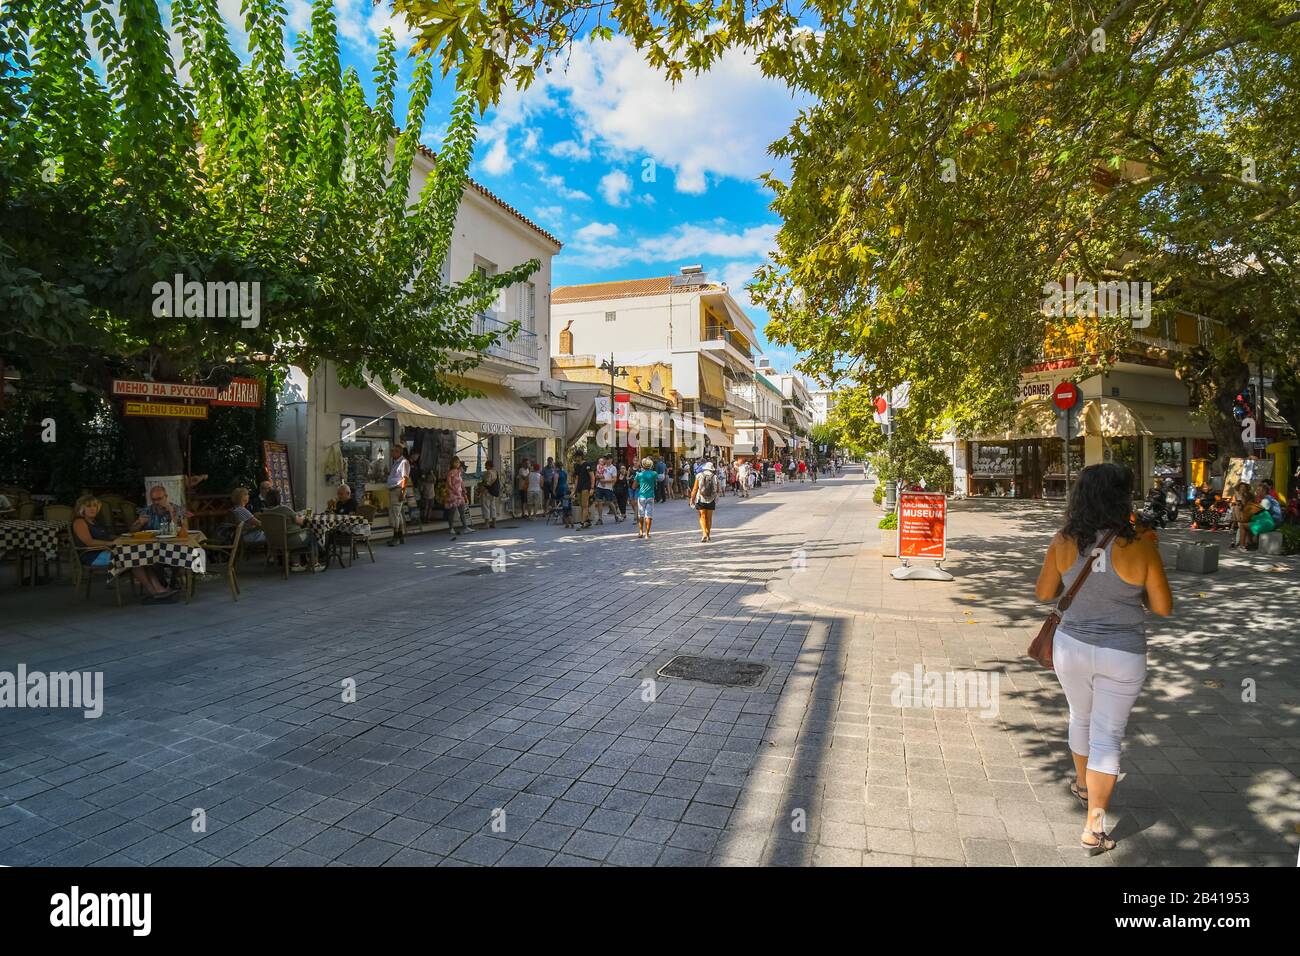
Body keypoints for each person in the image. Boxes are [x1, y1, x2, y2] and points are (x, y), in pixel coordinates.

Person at [1034, 463, 1172, 854]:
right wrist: (1134, 588)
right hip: (1122, 654)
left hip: (1071, 647)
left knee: (1081, 716)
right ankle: (1094, 825)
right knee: (1107, 735)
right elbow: (1162, 607)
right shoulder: (1142, 545)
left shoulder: (1062, 541)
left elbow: (1044, 593)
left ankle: (1081, 783)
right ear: (1123, 498)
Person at [72, 495, 176, 602]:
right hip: (92, 555)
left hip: (105, 551)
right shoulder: (80, 522)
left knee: (142, 557)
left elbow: (106, 536)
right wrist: (112, 543)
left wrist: (123, 537)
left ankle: (160, 590)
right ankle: (154, 593)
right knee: (134, 559)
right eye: (88, 506)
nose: (92, 509)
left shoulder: (94, 521)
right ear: (81, 508)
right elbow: (89, 542)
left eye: (94, 506)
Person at [262, 488, 322, 571]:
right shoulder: (284, 509)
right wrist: (306, 516)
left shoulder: (265, 512)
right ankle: (314, 564)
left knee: (295, 532)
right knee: (312, 533)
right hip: (290, 539)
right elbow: (301, 522)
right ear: (279, 498)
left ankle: (296, 564)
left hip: (274, 541)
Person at [690, 460, 720, 543]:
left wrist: (692, 499)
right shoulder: (714, 476)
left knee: (702, 516)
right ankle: (708, 534)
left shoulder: (699, 475)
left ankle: (704, 534)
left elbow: (695, 488)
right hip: (711, 499)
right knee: (709, 518)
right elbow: (718, 489)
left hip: (701, 498)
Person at [386, 443, 410, 546]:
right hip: (394, 490)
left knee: (395, 515)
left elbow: (405, 478)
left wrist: (403, 492)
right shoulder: (396, 462)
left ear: (399, 452)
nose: (391, 452)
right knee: (397, 514)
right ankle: (400, 536)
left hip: (397, 490)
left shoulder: (403, 462)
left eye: (393, 451)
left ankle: (395, 537)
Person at [1229, 482, 1264, 550]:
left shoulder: (1250, 495)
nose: (1242, 488)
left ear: (1247, 488)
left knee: (1242, 523)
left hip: (1248, 512)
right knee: (1236, 508)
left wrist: (1243, 500)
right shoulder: (1236, 495)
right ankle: (1243, 541)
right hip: (1240, 511)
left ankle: (1243, 542)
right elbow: (1233, 503)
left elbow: (1252, 505)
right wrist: (1237, 503)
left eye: (1244, 487)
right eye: (1241, 487)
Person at [447, 457, 473, 538]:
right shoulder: (450, 473)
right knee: (452, 512)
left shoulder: (459, 472)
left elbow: (461, 482)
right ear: (452, 463)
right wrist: (454, 490)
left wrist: (464, 490)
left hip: (460, 494)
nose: (457, 464)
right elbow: (449, 483)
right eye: (455, 462)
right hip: (453, 494)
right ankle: (451, 528)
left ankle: (465, 527)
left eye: (458, 462)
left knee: (462, 511)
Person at [634, 457, 658, 540]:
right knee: (649, 515)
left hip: (641, 496)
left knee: (641, 515)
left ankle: (641, 532)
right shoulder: (654, 473)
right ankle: (647, 534)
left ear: (642, 465)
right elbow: (656, 481)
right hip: (650, 496)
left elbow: (634, 486)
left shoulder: (639, 475)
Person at [573, 452, 594, 528]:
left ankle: (582, 522)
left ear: (581, 457)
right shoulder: (576, 466)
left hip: (586, 486)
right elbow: (577, 479)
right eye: (576, 457)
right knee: (582, 505)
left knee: (585, 505)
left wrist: (592, 488)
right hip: (579, 486)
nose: (576, 458)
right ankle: (587, 520)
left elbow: (592, 476)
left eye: (578, 457)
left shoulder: (587, 465)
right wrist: (574, 490)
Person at [480, 460, 502, 529]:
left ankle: (486, 523)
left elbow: (487, 483)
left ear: (489, 465)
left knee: (486, 507)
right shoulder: (495, 472)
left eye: (486, 465)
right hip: (493, 492)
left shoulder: (488, 472)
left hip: (487, 491)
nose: (485, 466)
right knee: (493, 507)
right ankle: (494, 523)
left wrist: (481, 486)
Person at [555, 461, 574, 528]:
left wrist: (554, 490)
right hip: (565, 487)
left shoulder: (557, 473)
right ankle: (571, 523)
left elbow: (556, 482)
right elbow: (566, 481)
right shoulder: (565, 473)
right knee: (569, 513)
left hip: (560, 488)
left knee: (564, 510)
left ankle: (565, 523)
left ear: (556, 466)